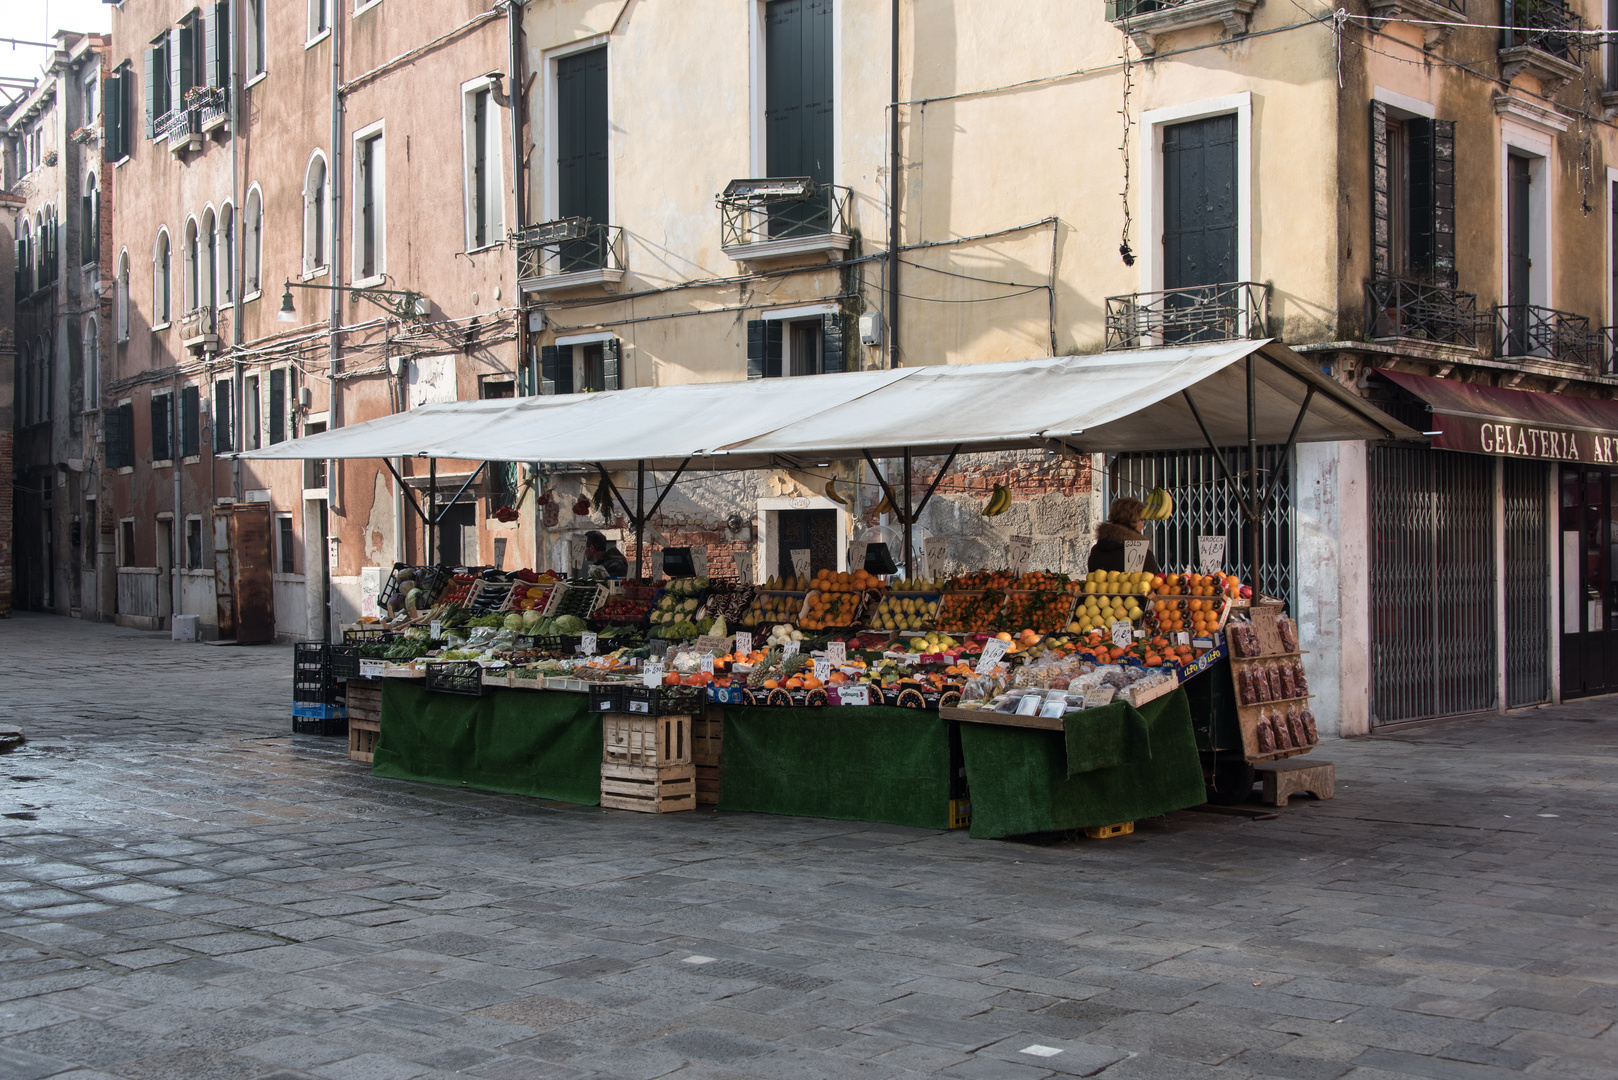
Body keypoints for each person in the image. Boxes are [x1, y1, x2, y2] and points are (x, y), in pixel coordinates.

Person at [1087, 496, 1161, 575]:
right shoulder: (1141, 554)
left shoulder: (1096, 550)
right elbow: (1153, 582)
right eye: (1141, 520)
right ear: (1133, 521)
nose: (1142, 525)